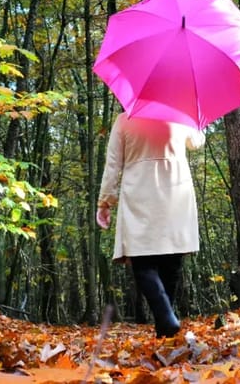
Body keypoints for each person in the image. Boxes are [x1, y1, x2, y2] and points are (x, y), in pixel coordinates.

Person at [96, 113, 205, 338]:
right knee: (171, 260)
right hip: (176, 190)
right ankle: (166, 321)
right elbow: (196, 142)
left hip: (140, 191)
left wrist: (105, 200)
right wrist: (198, 120)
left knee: (142, 260)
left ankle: (165, 320)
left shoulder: (124, 119)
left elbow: (113, 163)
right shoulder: (180, 116)